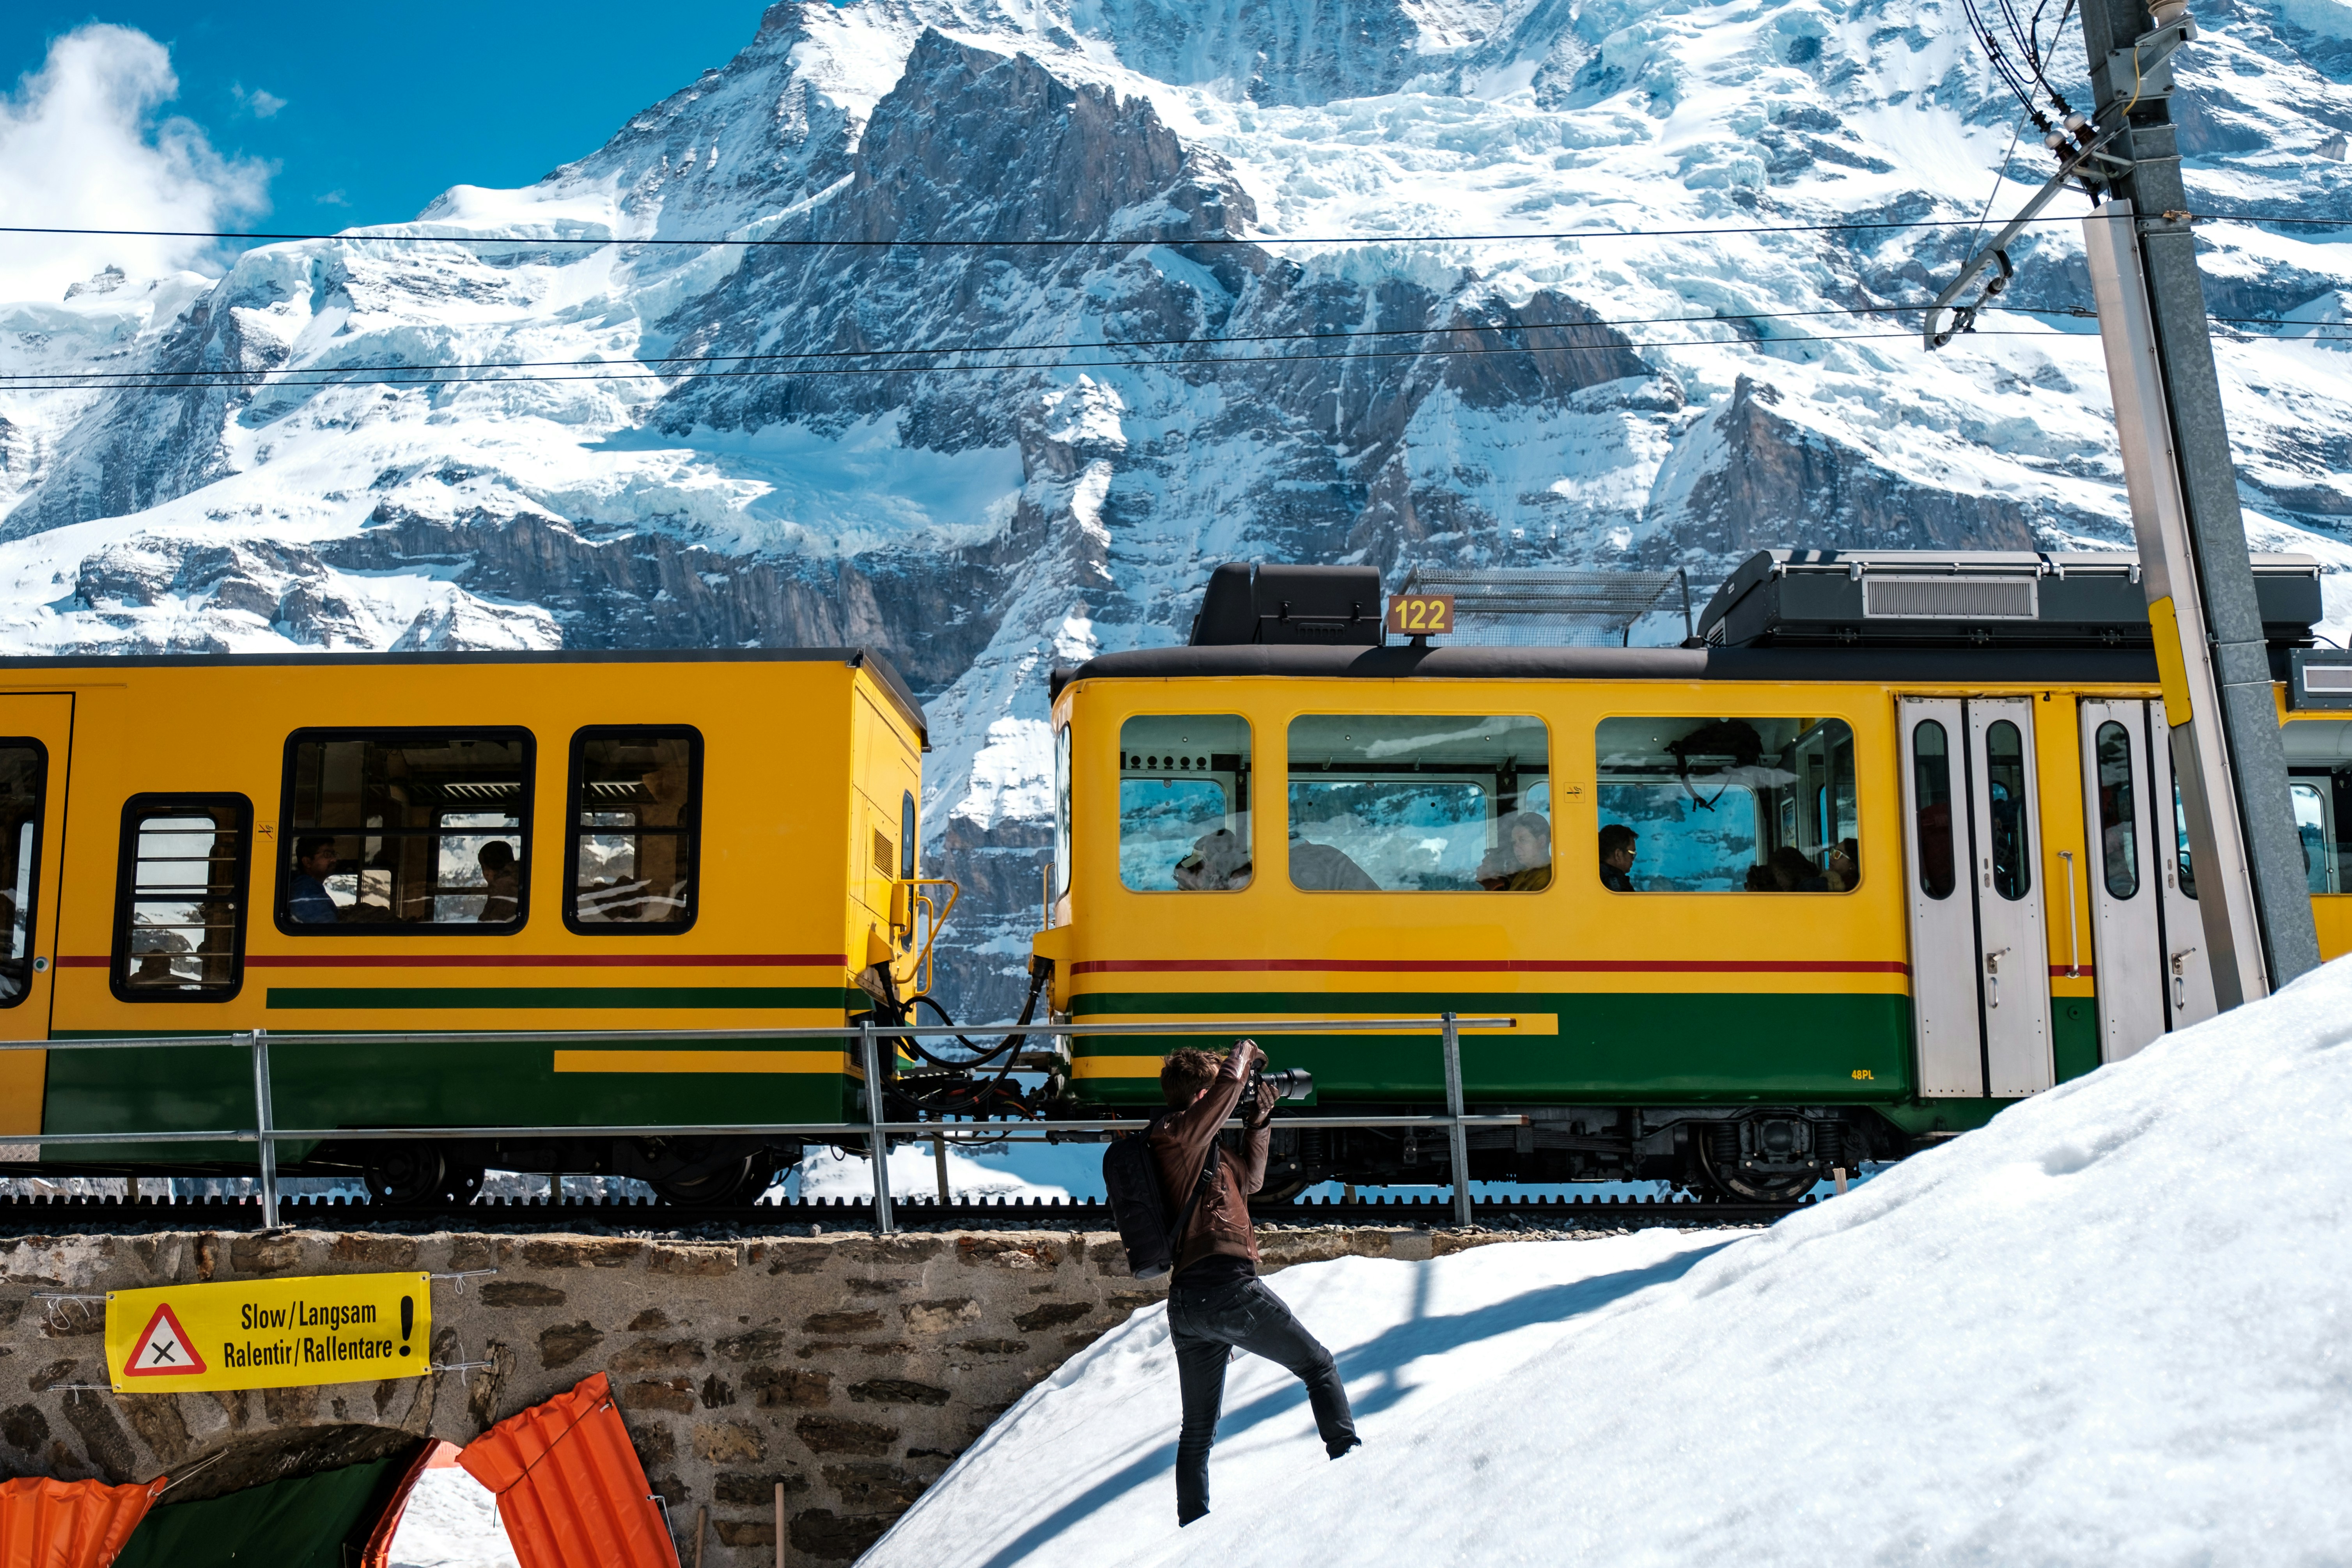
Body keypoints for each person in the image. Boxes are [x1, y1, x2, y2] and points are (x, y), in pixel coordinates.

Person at [1154, 1039, 1359, 1526]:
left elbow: (1252, 1183)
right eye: (1217, 1094)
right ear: (1202, 1098)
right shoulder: (1175, 1134)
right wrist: (1244, 1054)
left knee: (1197, 1430)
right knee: (1318, 1365)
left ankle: (1193, 1530)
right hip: (1225, 1288)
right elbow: (1225, 1089)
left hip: (1189, 1306)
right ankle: (1353, 1462)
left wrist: (1259, 1121)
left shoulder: (1200, 1147)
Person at [1174, 827, 1252, 890]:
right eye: (1204, 860)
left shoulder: (1239, 880)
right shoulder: (1222, 878)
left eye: (1208, 859)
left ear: (1224, 858)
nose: (1206, 865)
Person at [287, 837, 340, 923]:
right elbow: (328, 927)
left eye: (334, 855)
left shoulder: (310, 887)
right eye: (327, 855)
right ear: (307, 862)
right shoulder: (306, 892)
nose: (334, 860)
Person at [477, 841, 521, 921]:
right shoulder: (519, 882)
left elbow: (489, 925)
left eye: (483, 867)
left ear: (487, 873)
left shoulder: (500, 892)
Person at [1599, 824, 1638, 892]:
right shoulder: (1616, 885)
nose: (1633, 859)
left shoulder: (1597, 876)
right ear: (1618, 855)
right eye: (1632, 854)